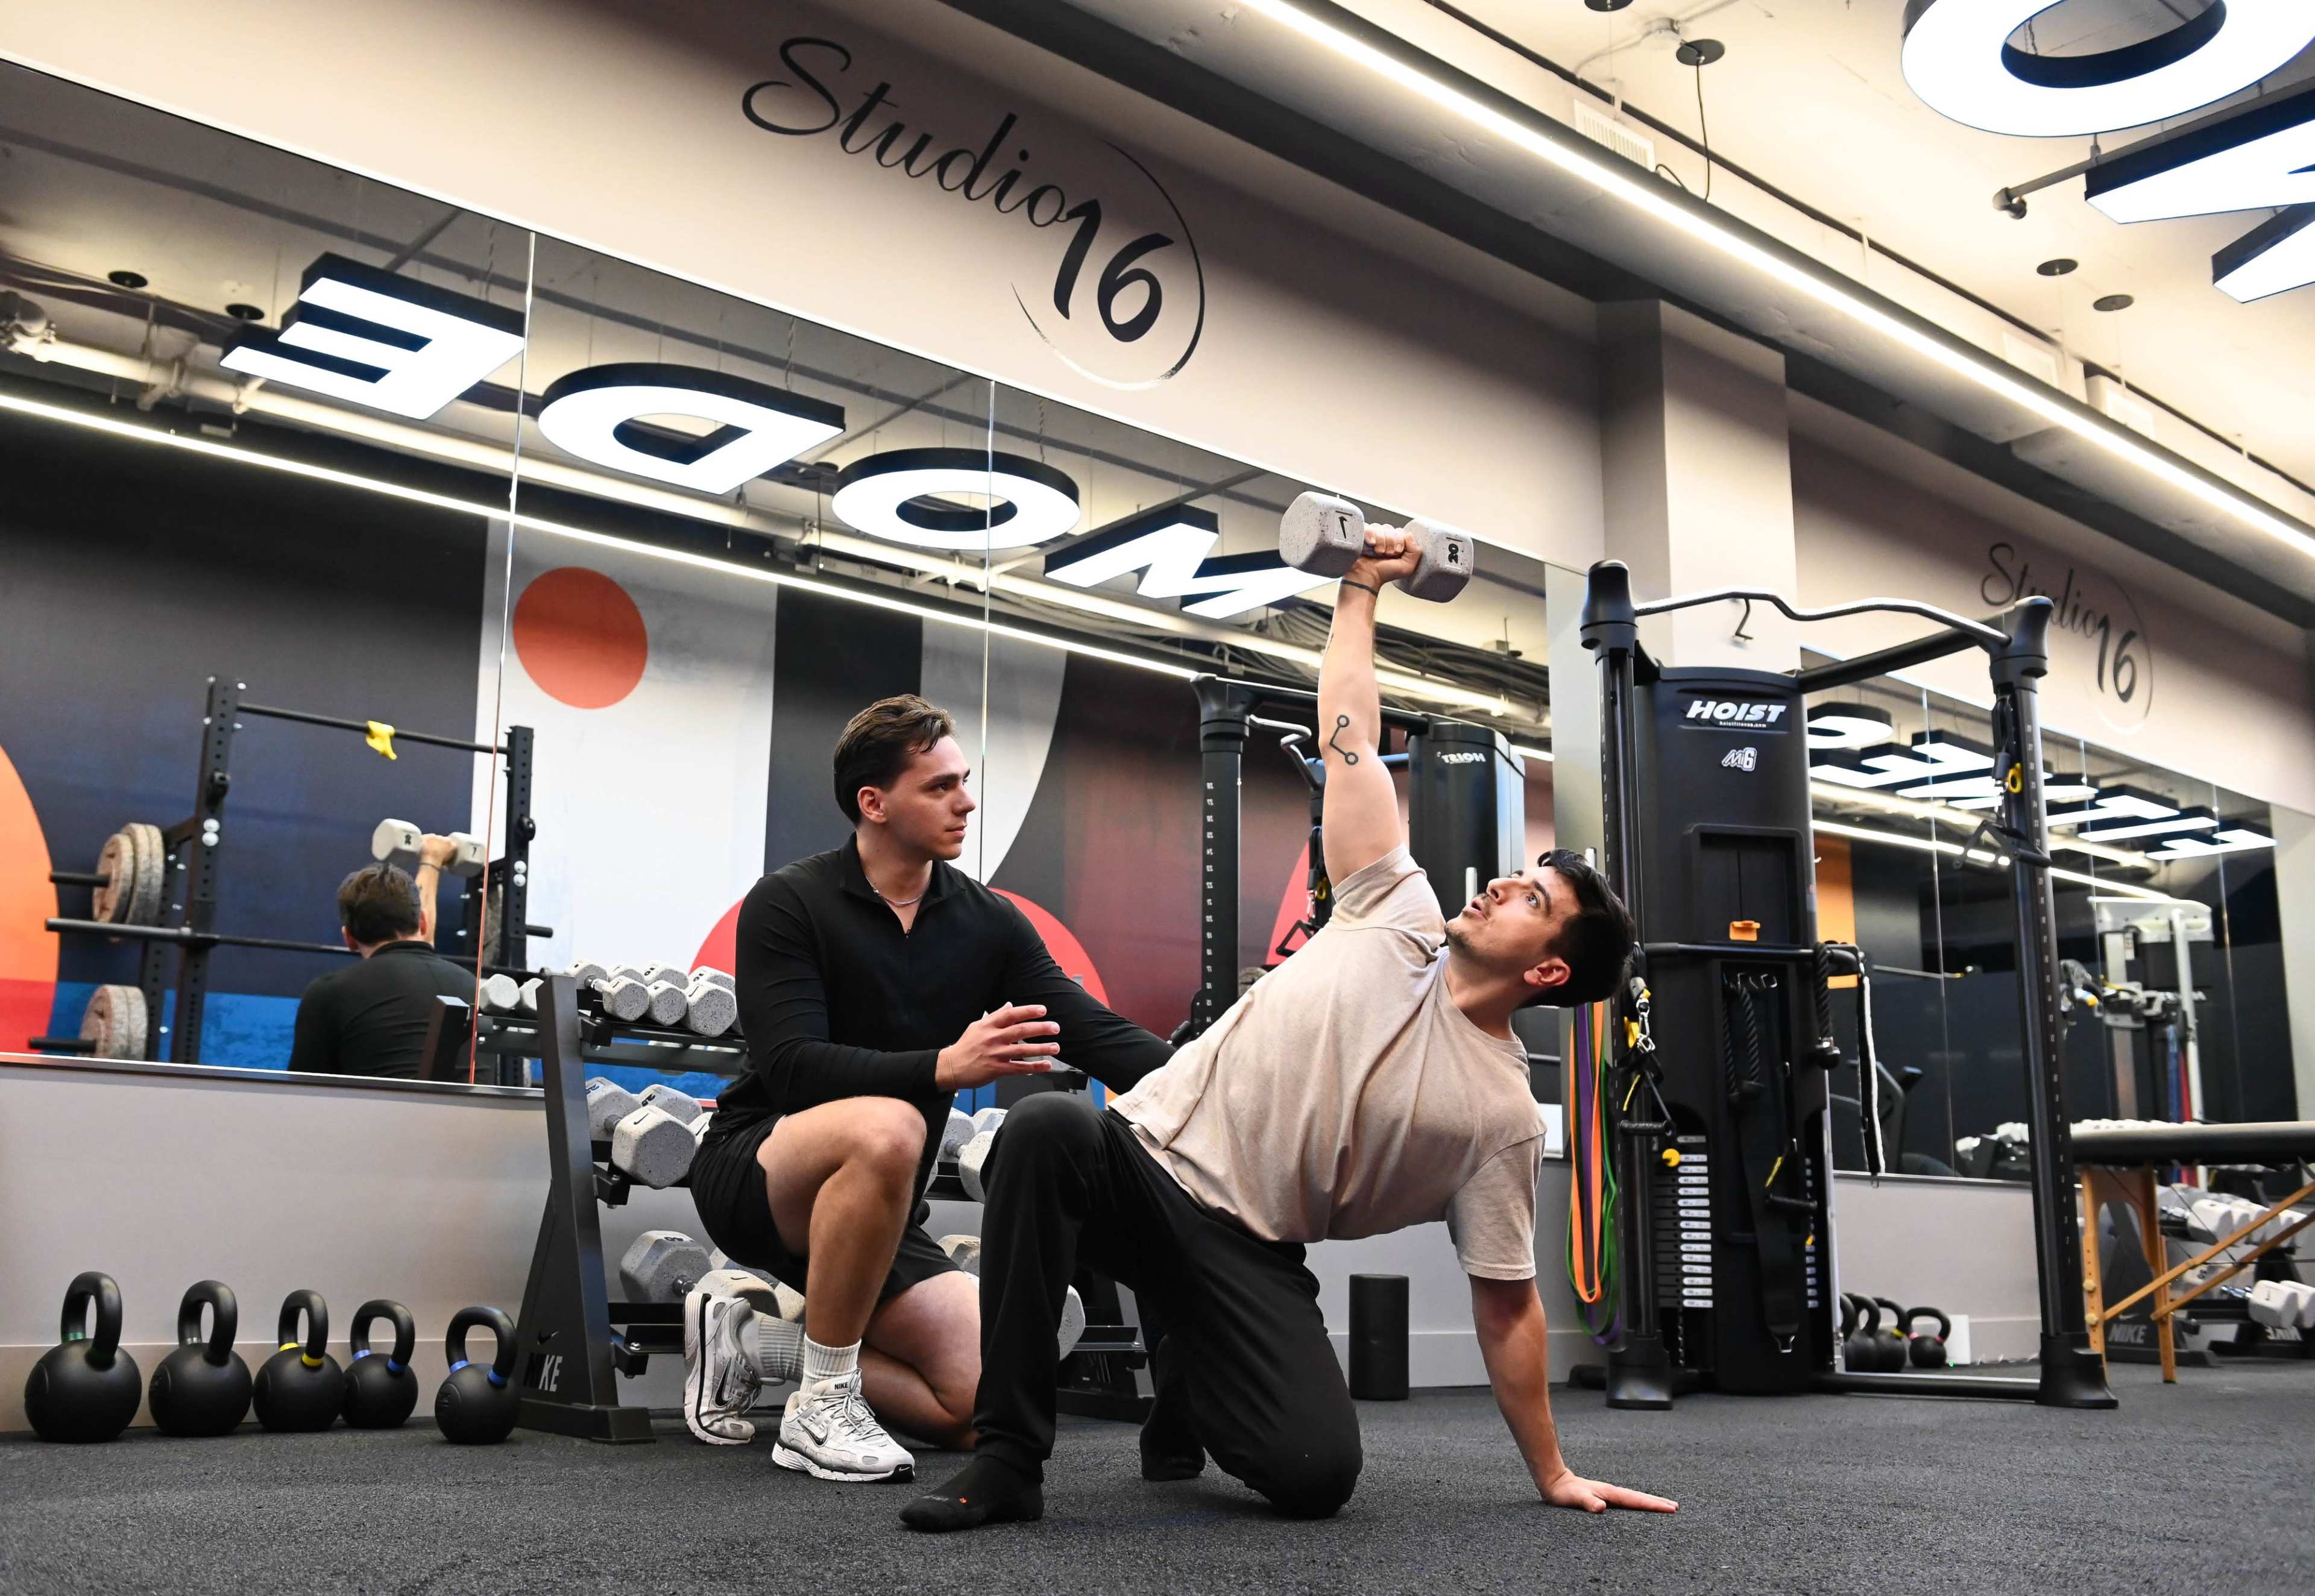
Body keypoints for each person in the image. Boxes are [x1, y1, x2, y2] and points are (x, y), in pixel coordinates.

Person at [901, 529, 1677, 1533]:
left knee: (1314, 1475)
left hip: (1248, 1246)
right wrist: (1359, 591)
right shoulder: (1394, 905)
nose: (1497, 886)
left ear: (1549, 970)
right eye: (1517, 874)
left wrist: (1554, 1470)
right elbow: (1349, 721)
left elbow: (1508, 1305)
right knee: (1047, 1128)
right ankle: (1007, 1460)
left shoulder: (1501, 1121)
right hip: (1140, 1160)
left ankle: (1191, 1349)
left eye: (1529, 896)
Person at [682, 694, 1173, 1481]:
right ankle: (820, 1407)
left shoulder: (987, 923)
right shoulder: (790, 903)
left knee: (984, 1405)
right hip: (759, 1169)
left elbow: (1089, 1030)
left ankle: (751, 1342)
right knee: (889, 1127)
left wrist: (1217, 1081)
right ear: (873, 803)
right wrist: (941, 1066)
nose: (966, 801)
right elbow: (793, 1066)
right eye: (940, 786)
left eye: (965, 781)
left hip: (880, 1202)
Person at [286, 839, 473, 1078]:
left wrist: (431, 861)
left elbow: (301, 1092)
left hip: (377, 1116)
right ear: (423, 923)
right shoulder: (472, 986)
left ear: (349, 938)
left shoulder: (329, 993)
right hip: (477, 1117)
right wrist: (432, 860)